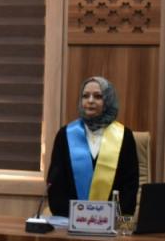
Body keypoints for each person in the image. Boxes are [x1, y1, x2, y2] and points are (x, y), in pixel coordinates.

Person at [47, 76, 139, 216]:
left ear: (108, 100)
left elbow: (129, 186)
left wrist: (116, 216)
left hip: (112, 221)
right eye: (85, 96)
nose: (90, 101)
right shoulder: (65, 134)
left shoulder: (124, 136)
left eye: (98, 96)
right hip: (70, 219)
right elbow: (56, 185)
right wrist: (75, 215)